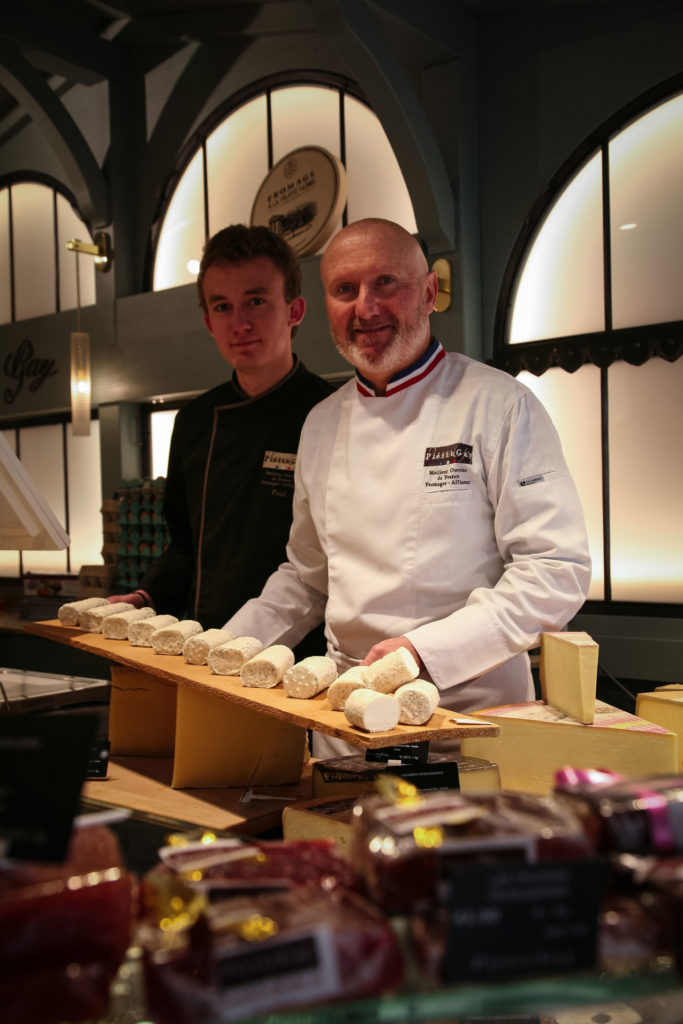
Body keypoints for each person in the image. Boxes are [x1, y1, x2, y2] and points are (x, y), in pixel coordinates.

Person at [224, 217, 592, 756]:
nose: (366, 307)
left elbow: (555, 569)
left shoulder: (499, 405)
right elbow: (307, 578)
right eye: (345, 290)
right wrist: (224, 647)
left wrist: (422, 653)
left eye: (386, 284)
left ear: (429, 292)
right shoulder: (321, 424)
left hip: (469, 718)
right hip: (345, 724)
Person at [109, 224, 333, 635]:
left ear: (294, 311)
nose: (239, 323)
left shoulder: (332, 413)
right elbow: (184, 549)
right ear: (209, 323)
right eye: (223, 307)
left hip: (302, 653)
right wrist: (145, 595)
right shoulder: (194, 421)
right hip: (203, 644)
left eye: (256, 301)